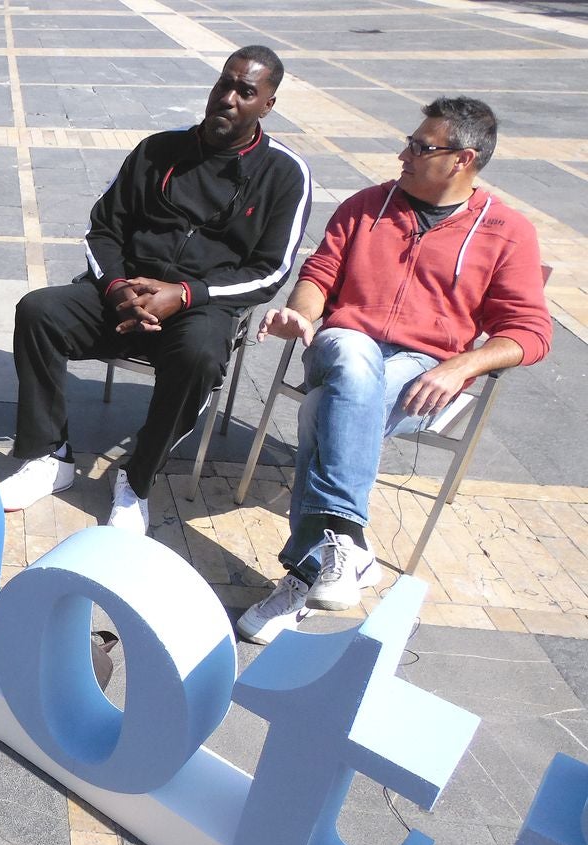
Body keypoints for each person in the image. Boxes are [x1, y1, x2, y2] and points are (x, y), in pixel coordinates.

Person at [236, 97, 553, 645]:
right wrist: (303, 313)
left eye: (421, 147)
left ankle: (317, 567)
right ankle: (347, 537)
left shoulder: (507, 231)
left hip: (423, 373)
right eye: (410, 141)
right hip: (339, 345)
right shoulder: (367, 205)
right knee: (352, 359)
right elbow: (320, 272)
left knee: (323, 409)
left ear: (463, 159)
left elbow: (529, 331)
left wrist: (463, 365)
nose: (403, 153)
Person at [0, 45, 311, 532]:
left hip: (201, 307)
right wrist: (118, 287)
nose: (228, 98)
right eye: (224, 84)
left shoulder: (285, 174)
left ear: (267, 104)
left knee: (201, 358)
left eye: (245, 91)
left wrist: (185, 294)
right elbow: (102, 230)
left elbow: (271, 270)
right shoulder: (158, 150)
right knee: (39, 311)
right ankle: (47, 457)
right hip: (127, 295)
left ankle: (137, 479)